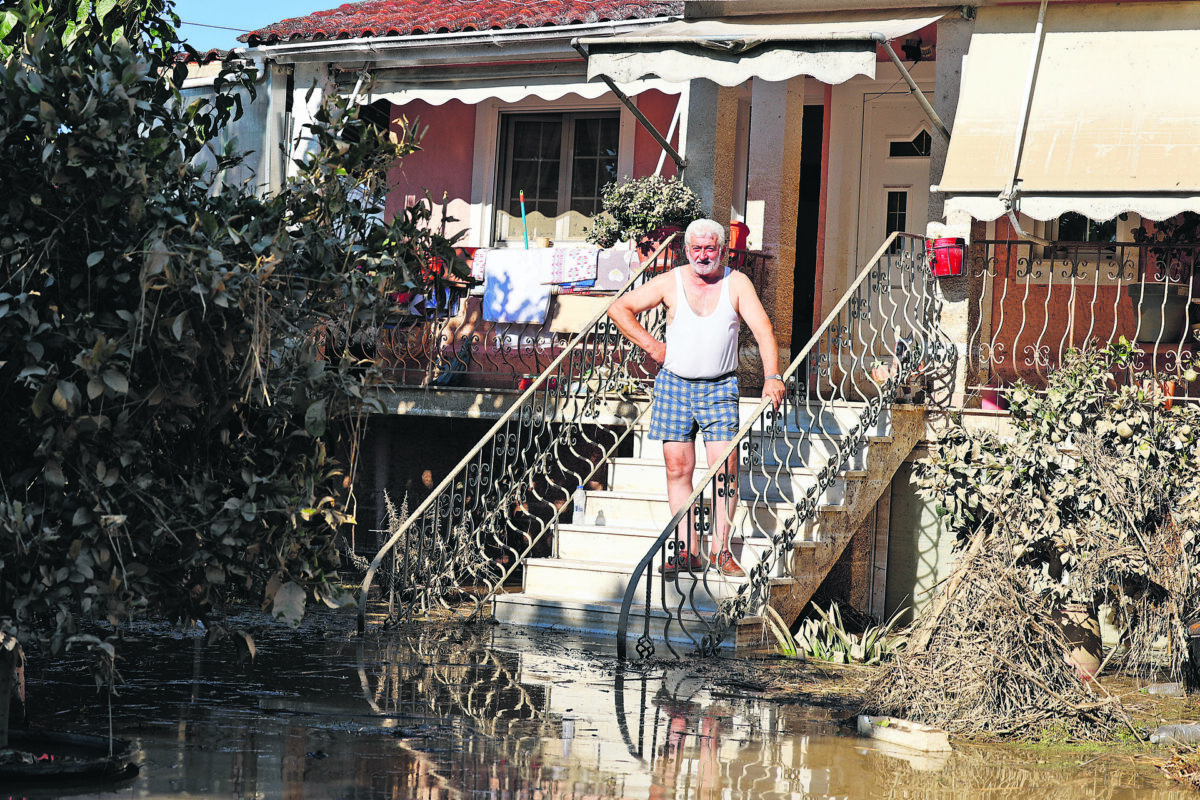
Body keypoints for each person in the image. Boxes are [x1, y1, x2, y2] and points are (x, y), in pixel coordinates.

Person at [608, 218, 785, 577]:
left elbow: (764, 330)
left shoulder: (736, 282)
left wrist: (773, 376)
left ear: (722, 250)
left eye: (710, 248)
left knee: (725, 469)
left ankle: (721, 550)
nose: (703, 255)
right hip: (674, 385)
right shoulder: (670, 281)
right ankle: (687, 549)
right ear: (686, 250)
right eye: (697, 248)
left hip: (719, 386)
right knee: (678, 467)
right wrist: (653, 347)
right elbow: (618, 308)